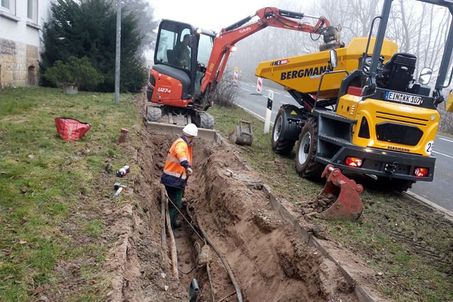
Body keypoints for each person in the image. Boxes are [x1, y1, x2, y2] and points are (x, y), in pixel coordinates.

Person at [161, 123, 198, 228]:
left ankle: (168, 219)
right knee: (176, 205)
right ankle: (170, 225)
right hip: (174, 180)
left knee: (174, 201)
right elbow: (180, 154)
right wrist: (187, 166)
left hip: (173, 179)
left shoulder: (183, 143)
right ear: (190, 137)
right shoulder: (182, 144)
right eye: (193, 138)